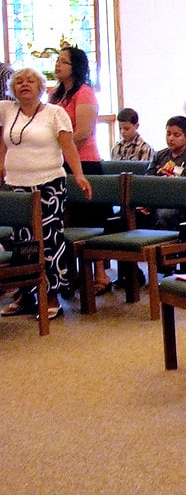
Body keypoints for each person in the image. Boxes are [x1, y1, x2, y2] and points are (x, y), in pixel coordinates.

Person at [0, 67, 93, 320]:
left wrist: (79, 175)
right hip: (17, 185)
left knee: (49, 241)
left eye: (31, 81)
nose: (24, 84)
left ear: (42, 88)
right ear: (12, 88)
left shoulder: (55, 112)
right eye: (19, 81)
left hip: (49, 184)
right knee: (22, 242)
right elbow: (3, 143)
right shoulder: (7, 111)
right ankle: (27, 294)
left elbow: (68, 147)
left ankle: (51, 295)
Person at [52, 45, 107, 293]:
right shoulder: (54, 95)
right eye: (58, 60)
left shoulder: (84, 93)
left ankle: (101, 275)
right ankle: (72, 275)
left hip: (85, 162)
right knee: (67, 218)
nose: (58, 65)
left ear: (75, 68)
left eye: (64, 62)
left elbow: (84, 132)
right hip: (59, 163)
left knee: (89, 218)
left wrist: (57, 147)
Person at [150, 115, 186, 229]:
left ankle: (165, 246)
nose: (170, 138)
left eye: (176, 135)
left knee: (164, 215)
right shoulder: (159, 155)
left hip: (183, 203)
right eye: (168, 134)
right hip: (158, 198)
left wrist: (166, 178)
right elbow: (148, 179)